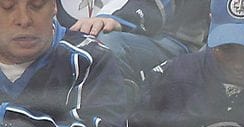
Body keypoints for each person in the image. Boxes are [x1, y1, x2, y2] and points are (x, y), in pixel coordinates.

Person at [55, 0, 210, 80]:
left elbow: (156, 7)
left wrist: (115, 17)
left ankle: (121, 125)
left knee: (105, 44)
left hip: (171, 40)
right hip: (71, 41)